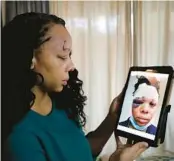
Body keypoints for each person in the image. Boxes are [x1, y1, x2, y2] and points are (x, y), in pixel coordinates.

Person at [2, 12, 148, 161]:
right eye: (62, 56)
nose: (71, 66)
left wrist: (112, 117)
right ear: (29, 58)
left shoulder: (62, 103)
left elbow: (80, 150)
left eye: (70, 56)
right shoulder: (18, 135)